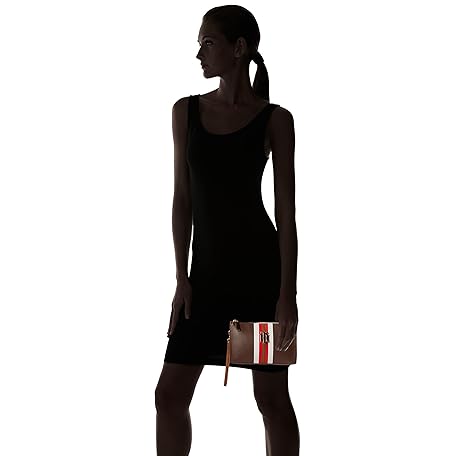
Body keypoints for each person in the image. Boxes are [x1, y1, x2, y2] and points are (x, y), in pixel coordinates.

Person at [155, 5, 299, 455]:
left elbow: (287, 216)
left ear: (239, 49)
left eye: (208, 43)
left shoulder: (276, 120)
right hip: (204, 283)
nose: (199, 54)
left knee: (270, 399)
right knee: (168, 395)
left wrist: (287, 296)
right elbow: (182, 200)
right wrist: (181, 278)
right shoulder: (185, 112)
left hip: (259, 280)